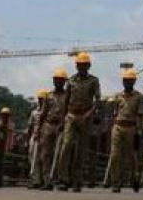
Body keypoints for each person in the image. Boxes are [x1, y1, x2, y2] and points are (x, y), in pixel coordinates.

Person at [58, 52, 101, 192]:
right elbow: (65, 101)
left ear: (88, 65)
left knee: (81, 150)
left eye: (84, 65)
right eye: (79, 65)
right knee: (66, 146)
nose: (81, 67)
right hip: (71, 115)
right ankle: (63, 178)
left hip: (85, 117)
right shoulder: (70, 81)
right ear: (76, 66)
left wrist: (90, 113)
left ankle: (76, 180)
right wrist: (62, 119)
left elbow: (97, 99)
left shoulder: (93, 81)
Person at [108, 69, 143, 193]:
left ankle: (134, 179)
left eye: (130, 80)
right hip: (118, 126)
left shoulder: (138, 97)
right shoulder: (117, 96)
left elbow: (140, 115)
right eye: (125, 80)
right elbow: (113, 111)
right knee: (115, 155)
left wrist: (139, 130)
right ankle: (115, 183)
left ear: (134, 81)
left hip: (131, 128)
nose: (127, 83)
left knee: (132, 156)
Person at [39, 68, 68, 190]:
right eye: (56, 80)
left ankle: (60, 179)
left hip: (62, 126)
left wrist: (64, 123)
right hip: (48, 125)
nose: (58, 82)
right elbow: (43, 112)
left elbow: (69, 112)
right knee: (46, 154)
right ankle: (47, 181)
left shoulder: (68, 96)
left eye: (60, 80)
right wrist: (39, 129)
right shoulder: (48, 95)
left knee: (61, 154)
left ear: (64, 81)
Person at [27, 89, 49, 188]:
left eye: (42, 99)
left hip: (45, 137)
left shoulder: (49, 112)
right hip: (35, 136)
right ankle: (36, 180)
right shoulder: (34, 112)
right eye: (39, 99)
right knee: (32, 157)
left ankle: (44, 180)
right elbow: (30, 126)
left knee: (44, 158)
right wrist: (29, 138)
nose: (40, 101)